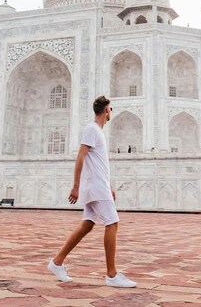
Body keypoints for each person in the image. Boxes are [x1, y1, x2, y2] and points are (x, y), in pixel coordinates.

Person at [48, 95, 136, 288]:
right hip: (95, 186)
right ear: (106, 111)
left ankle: (57, 262)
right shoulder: (91, 129)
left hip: (98, 184)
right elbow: (81, 157)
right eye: (110, 109)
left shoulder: (97, 131)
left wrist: (109, 186)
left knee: (87, 225)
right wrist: (76, 186)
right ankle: (112, 275)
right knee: (112, 223)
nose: (111, 112)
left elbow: (98, 163)